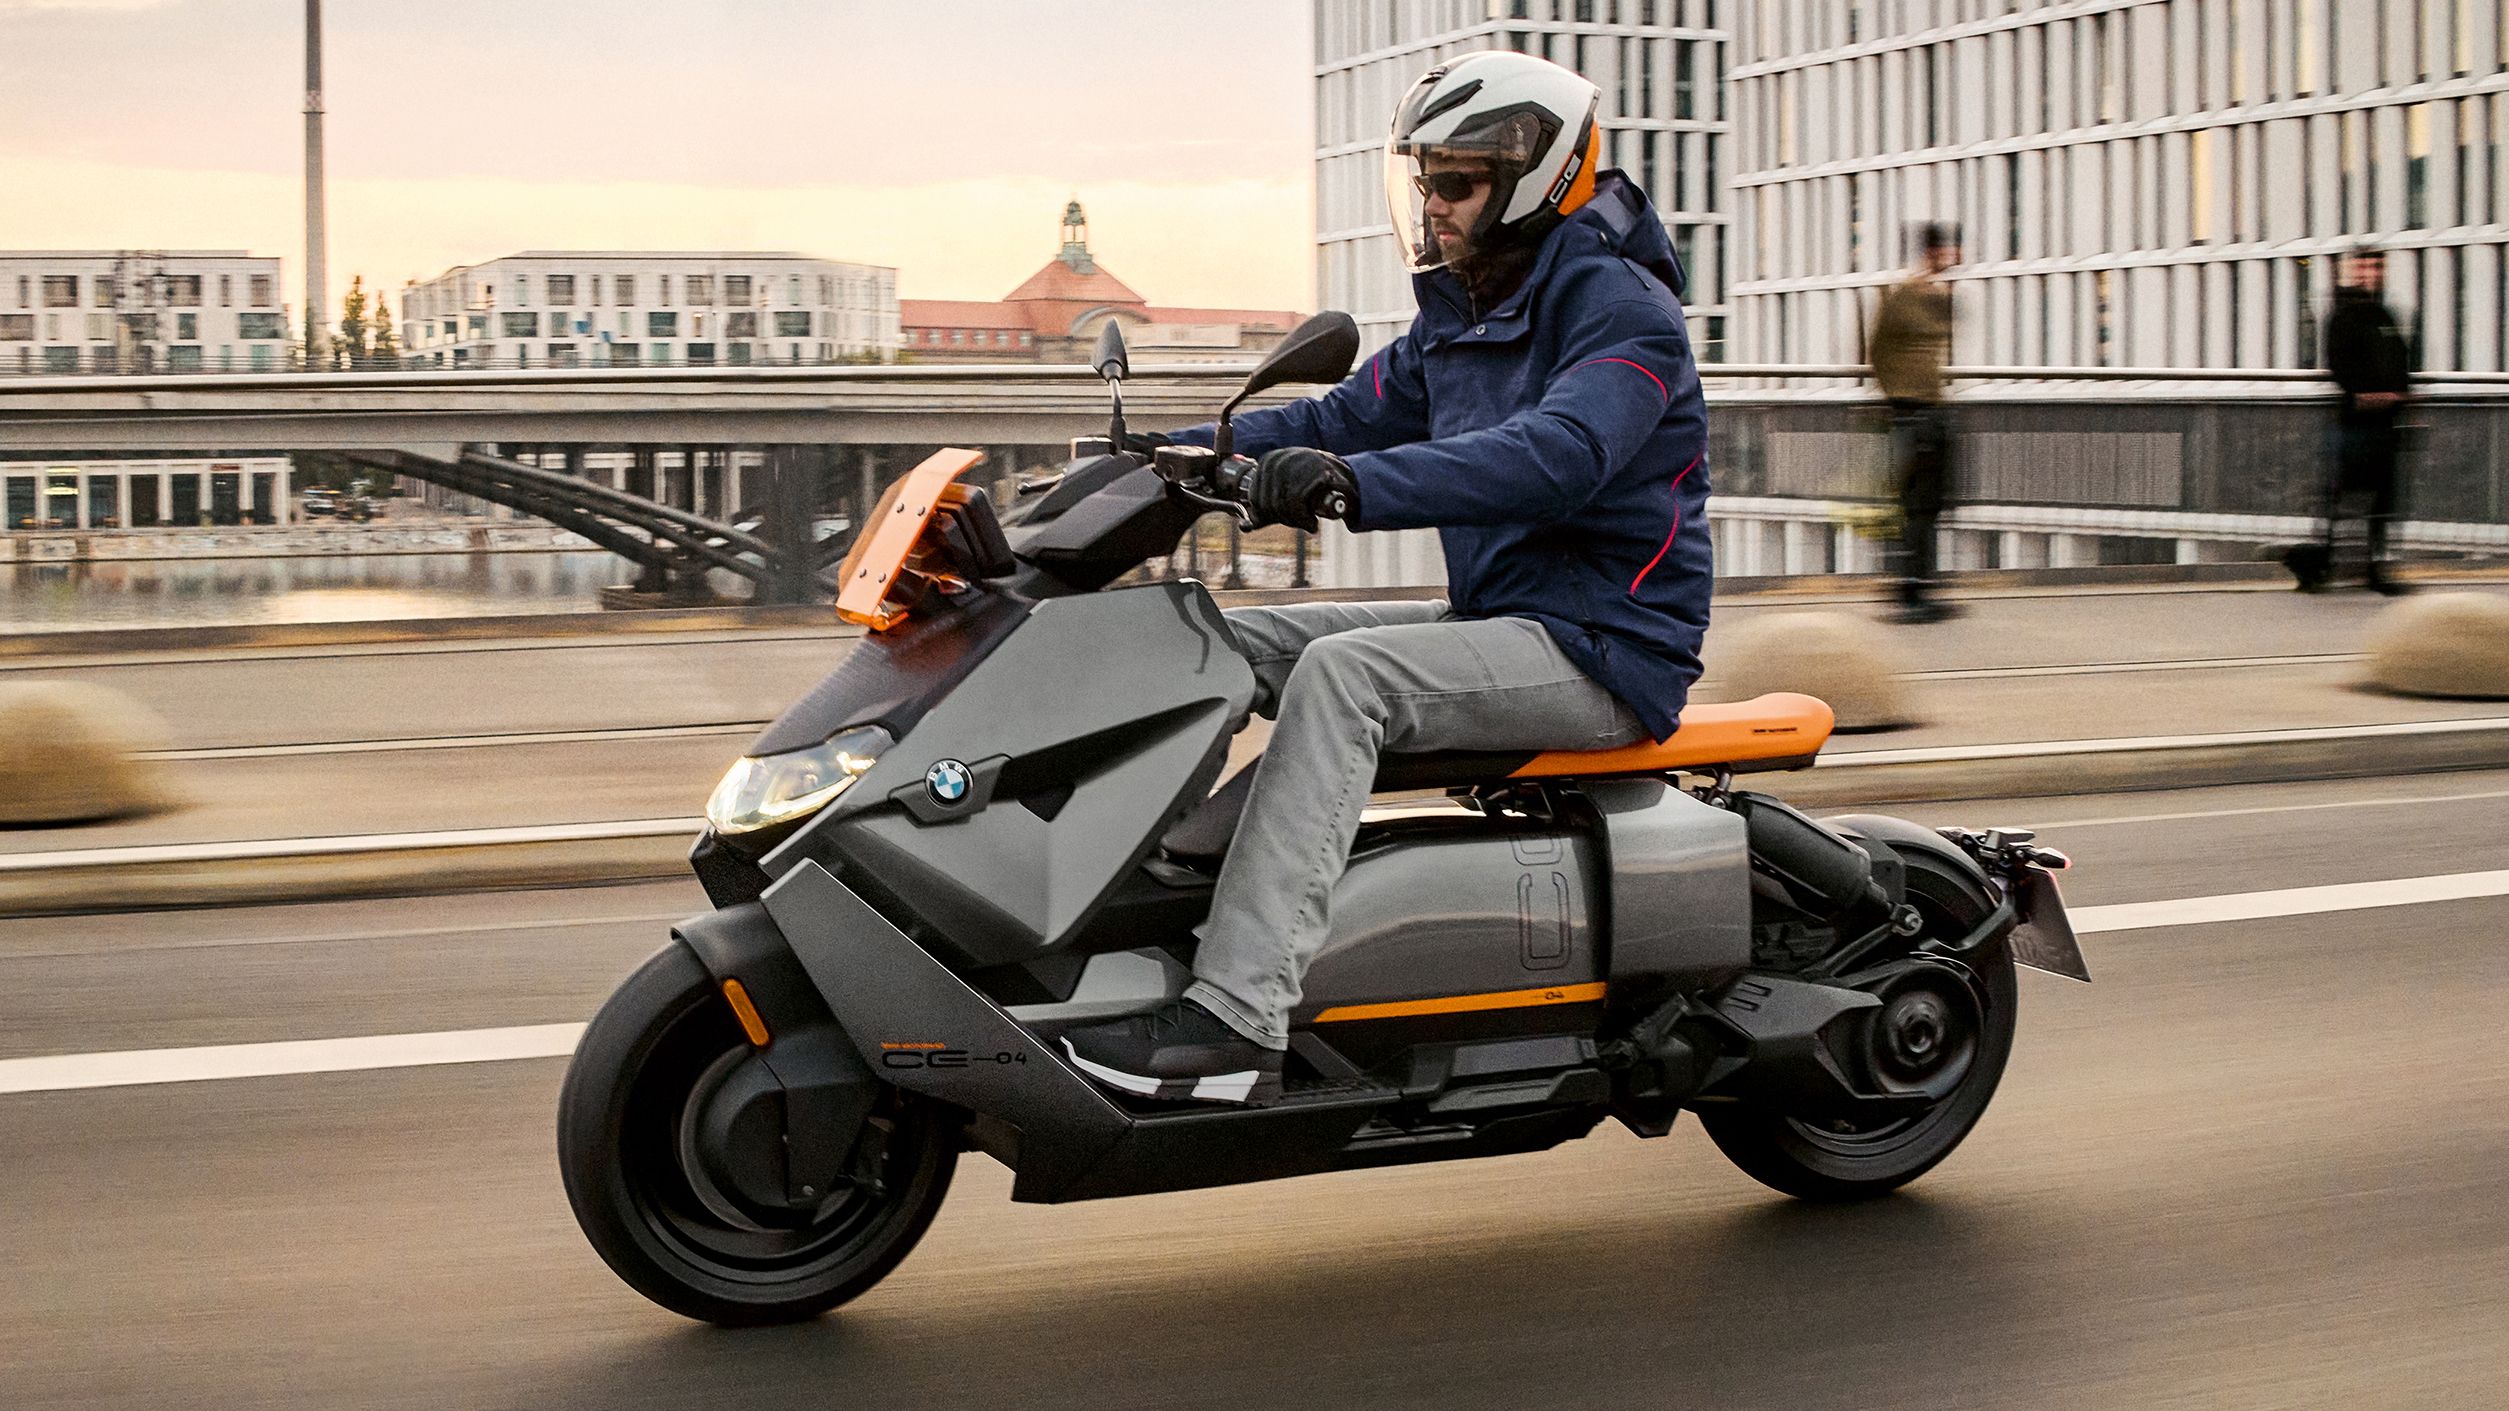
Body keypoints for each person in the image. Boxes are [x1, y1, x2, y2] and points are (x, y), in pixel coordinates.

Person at [1054, 50, 1713, 1106]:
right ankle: (1161, 881)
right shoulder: (1468, 311)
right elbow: (1333, 418)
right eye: (1426, 181)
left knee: (1346, 678)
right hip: (1503, 619)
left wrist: (1342, 488)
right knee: (1204, 636)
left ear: (1534, 176)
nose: (1435, 205)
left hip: (1604, 645)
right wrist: (1150, 456)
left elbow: (1557, 454)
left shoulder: (1622, 312)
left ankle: (1233, 1017)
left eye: (1457, 183)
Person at [1866, 222, 1963, 624]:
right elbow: (1877, 351)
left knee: (1933, 502)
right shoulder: (1902, 296)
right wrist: (1898, 399)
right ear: (1934, 252)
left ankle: (1921, 584)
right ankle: (1908, 590)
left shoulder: (1937, 295)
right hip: (1911, 410)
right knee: (1914, 504)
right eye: (1951, 249)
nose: (1955, 257)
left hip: (1933, 408)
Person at [2307, 245, 2414, 595]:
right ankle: (2323, 564)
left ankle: (2369, 569)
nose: (2373, 273)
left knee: (2380, 499)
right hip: (2354, 421)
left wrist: (2397, 394)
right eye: (2366, 266)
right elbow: (2340, 363)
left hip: (2382, 424)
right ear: (2353, 270)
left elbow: (2400, 359)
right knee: (2343, 497)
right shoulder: (2345, 314)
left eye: (2377, 266)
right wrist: (2368, 394)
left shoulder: (2383, 312)